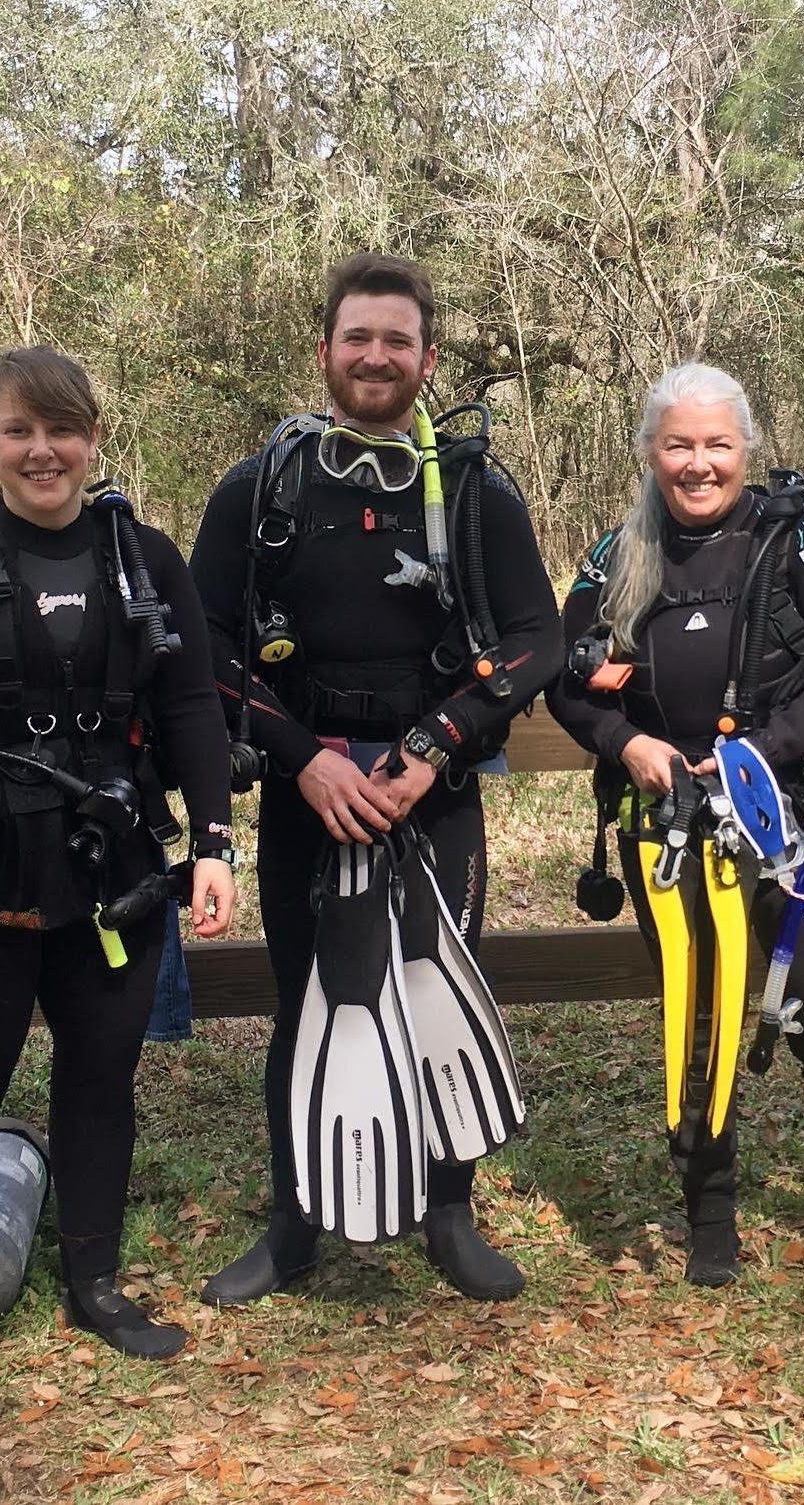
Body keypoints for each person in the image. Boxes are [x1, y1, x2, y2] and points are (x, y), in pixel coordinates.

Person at [0, 347, 238, 1438]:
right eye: (19, 430)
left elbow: (192, 717)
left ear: (93, 437)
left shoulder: (145, 559)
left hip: (108, 874)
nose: (42, 451)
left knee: (100, 1081)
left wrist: (212, 844)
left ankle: (95, 1283)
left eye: (62, 429)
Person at [188, 252, 561, 1302]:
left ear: (427, 358)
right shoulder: (258, 490)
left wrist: (438, 743)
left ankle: (450, 1216)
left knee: (437, 996)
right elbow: (203, 647)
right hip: (311, 787)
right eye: (358, 337)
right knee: (308, 1001)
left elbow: (539, 640)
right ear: (324, 352)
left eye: (398, 340)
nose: (377, 356)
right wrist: (302, 762)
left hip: (428, 791)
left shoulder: (476, 493)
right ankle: (295, 1226)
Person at [547, 364, 804, 1290]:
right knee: (701, 1019)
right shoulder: (619, 551)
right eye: (678, 444)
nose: (698, 463)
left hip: (802, 817)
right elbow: (563, 676)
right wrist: (625, 741)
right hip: (673, 822)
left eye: (717, 443)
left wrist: (761, 750)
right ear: (648, 452)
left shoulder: (799, 537)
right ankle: (709, 1218)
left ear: (746, 446)